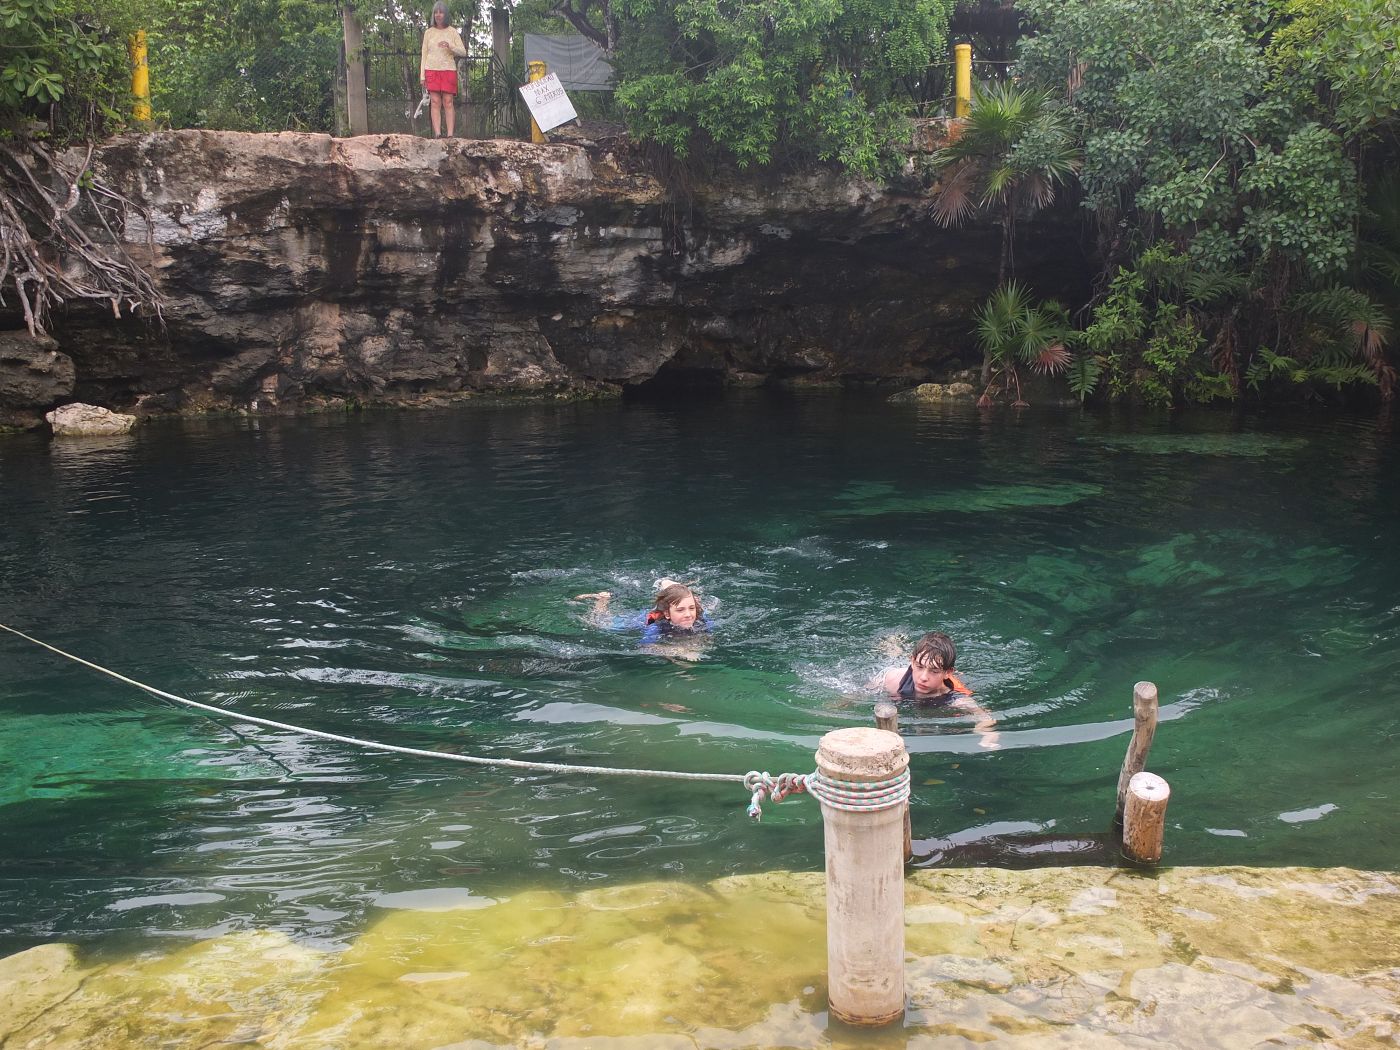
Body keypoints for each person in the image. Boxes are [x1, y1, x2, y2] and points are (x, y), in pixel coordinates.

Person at [874, 631, 1000, 748]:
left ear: (947, 673)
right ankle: (894, 643)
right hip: (901, 668)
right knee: (894, 657)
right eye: (919, 667)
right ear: (912, 662)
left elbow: (986, 718)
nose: (923, 677)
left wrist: (987, 736)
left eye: (934, 671)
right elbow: (865, 692)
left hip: (942, 679)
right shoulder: (894, 680)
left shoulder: (956, 699)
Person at [575, 579, 711, 645]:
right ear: (667, 614)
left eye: (691, 608)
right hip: (643, 619)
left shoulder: (700, 619)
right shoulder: (655, 626)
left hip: (673, 607)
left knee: (688, 601)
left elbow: (708, 639)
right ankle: (602, 600)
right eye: (680, 610)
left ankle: (671, 586)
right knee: (601, 623)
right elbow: (646, 647)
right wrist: (676, 651)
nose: (688, 614)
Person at [420, 2, 467, 138]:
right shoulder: (428, 33)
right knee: (435, 102)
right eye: (436, 12)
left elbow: (463, 52)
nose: (438, 15)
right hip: (431, 70)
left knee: (448, 101)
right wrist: (422, 76)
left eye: (441, 12)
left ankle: (450, 135)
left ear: (445, 14)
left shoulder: (452, 32)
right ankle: (438, 134)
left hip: (448, 70)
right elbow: (424, 54)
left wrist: (450, 46)